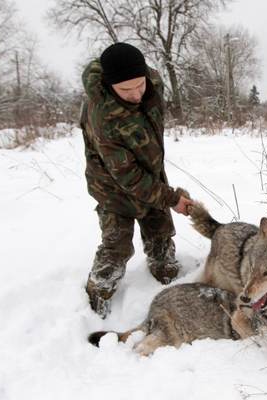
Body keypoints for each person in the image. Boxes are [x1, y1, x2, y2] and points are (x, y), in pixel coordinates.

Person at [79, 42, 193, 318]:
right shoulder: (102, 117)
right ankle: (99, 295)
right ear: (109, 85)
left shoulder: (153, 82)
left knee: (160, 233)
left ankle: (166, 275)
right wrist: (172, 198)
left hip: (150, 175)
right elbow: (128, 177)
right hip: (112, 189)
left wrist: (163, 193)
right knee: (116, 247)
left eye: (139, 86)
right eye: (125, 90)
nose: (135, 95)